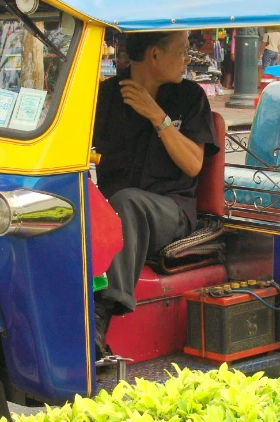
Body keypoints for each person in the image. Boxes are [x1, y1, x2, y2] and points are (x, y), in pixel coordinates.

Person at [92, 31, 219, 358]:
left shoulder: (190, 97)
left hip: (171, 213)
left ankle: (99, 317)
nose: (187, 59)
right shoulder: (107, 95)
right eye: (182, 52)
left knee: (127, 202)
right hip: (112, 211)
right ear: (154, 55)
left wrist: (157, 117)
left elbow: (193, 165)